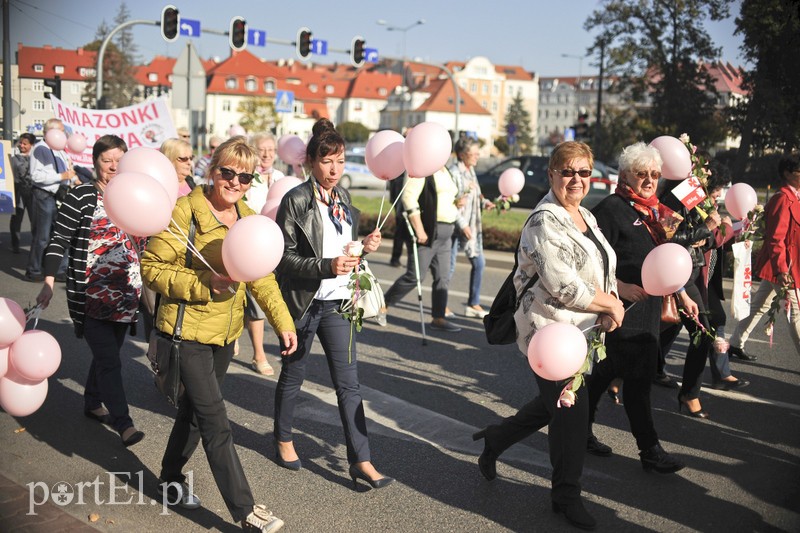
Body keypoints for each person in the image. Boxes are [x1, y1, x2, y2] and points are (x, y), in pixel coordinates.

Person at [142, 136, 296, 532]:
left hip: (226, 335)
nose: (234, 182)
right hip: (187, 332)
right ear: (213, 169)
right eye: (227, 172)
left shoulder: (247, 218)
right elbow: (151, 268)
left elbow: (261, 275)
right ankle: (246, 512)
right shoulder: (184, 212)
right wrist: (203, 283)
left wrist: (283, 321)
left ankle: (169, 478)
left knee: (195, 416)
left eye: (244, 177)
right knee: (215, 421)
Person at [473, 141, 624, 531]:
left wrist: (611, 304)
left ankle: (496, 438)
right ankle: (565, 496)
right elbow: (562, 285)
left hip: (582, 331)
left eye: (584, 172)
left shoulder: (584, 215)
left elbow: (600, 270)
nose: (577, 179)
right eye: (568, 171)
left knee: (554, 404)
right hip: (551, 334)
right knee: (572, 419)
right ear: (552, 174)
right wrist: (610, 306)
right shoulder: (544, 220)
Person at [273, 118, 392, 490]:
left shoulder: (344, 199)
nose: (334, 169)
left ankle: (362, 459)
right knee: (294, 373)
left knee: (349, 384)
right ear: (311, 161)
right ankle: (283, 437)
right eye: (327, 162)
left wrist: (363, 249)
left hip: (341, 302)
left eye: (340, 161)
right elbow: (283, 258)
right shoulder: (295, 200)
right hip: (305, 302)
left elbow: (346, 250)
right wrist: (326, 266)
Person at [35, 135, 146, 447]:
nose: (113, 166)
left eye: (118, 161)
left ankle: (92, 402)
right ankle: (124, 424)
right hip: (91, 297)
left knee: (106, 355)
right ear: (96, 162)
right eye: (106, 160)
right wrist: (48, 281)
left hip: (125, 296)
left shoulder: (135, 197)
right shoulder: (82, 196)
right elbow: (58, 240)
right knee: (110, 360)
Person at [587, 142, 686, 474]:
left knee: (604, 371)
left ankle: (578, 427)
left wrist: (683, 295)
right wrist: (620, 287)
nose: (649, 180)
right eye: (641, 173)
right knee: (639, 380)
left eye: (655, 174)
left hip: (651, 306)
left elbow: (669, 260)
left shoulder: (658, 211)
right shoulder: (611, 209)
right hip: (621, 306)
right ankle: (650, 450)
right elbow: (591, 262)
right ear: (625, 175)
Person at [379, 163, 470, 333]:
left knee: (443, 277)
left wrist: (457, 202)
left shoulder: (446, 170)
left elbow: (444, 198)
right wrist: (419, 229)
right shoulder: (423, 167)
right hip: (428, 231)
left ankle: (438, 318)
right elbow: (408, 197)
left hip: (446, 232)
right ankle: (382, 305)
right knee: (415, 277)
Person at [660, 167, 721, 419]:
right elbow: (670, 239)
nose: (704, 178)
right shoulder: (672, 198)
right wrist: (705, 227)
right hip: (675, 273)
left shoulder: (695, 197)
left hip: (691, 271)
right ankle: (690, 395)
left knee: (674, 328)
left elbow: (705, 241)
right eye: (702, 171)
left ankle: (686, 392)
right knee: (702, 331)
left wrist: (706, 231)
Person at [729, 154, 800, 359]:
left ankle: (735, 342)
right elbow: (775, 239)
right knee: (795, 313)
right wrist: (782, 270)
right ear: (787, 174)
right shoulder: (782, 199)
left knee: (760, 306)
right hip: (783, 267)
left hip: (786, 266)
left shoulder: (794, 197)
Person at [700, 162, 749, 390]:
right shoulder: (699, 205)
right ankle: (720, 375)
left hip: (708, 277)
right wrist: (729, 229)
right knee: (714, 320)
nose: (719, 193)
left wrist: (737, 236)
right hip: (697, 276)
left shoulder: (712, 206)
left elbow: (719, 241)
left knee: (712, 322)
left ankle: (721, 374)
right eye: (717, 188)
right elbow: (709, 239)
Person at [243, 133, 286, 377]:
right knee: (254, 300)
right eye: (262, 149)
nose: (267, 154)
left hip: (277, 244)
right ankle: (258, 354)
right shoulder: (247, 177)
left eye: (271, 149)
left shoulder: (281, 177)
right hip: (252, 243)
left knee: (275, 296)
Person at [26, 118, 78, 282]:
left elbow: (67, 174)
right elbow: (36, 175)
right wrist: (61, 176)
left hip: (59, 195)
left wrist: (72, 179)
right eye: (61, 131)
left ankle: (59, 270)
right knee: (42, 236)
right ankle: (33, 270)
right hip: (44, 194)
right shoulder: (40, 149)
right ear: (51, 133)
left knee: (61, 235)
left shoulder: (60, 150)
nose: (65, 134)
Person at [448, 137, 494, 318]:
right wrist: (463, 225)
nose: (477, 156)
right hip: (455, 227)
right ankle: (440, 306)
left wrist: (487, 202)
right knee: (448, 268)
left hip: (471, 227)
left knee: (479, 263)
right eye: (473, 153)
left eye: (477, 153)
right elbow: (450, 203)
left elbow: (476, 193)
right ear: (462, 154)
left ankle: (473, 304)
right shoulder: (454, 172)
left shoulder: (470, 170)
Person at [9, 133, 36, 254]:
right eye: (20, 143)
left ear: (31, 145)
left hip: (32, 193)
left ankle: (36, 245)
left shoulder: (36, 158)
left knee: (34, 219)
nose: (22, 145)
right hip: (18, 191)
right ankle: (15, 244)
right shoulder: (13, 158)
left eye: (25, 144)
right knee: (16, 219)